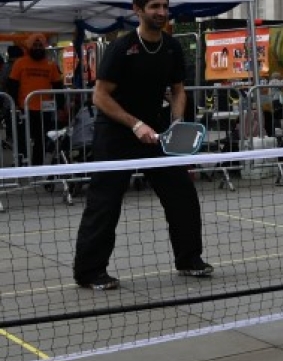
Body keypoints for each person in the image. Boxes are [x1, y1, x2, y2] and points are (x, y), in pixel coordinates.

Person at [73, 0, 213, 291]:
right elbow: (100, 97)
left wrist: (176, 122)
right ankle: (89, 272)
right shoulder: (121, 48)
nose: (161, 12)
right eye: (154, 6)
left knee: (182, 194)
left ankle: (189, 259)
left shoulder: (172, 47)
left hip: (157, 133)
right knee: (105, 202)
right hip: (116, 132)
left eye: (164, 5)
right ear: (138, 9)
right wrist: (134, 124)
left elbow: (177, 90)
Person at [6, 35, 65, 166]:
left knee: (41, 139)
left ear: (43, 47)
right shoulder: (20, 63)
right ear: (29, 46)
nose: (37, 48)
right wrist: (14, 104)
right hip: (24, 108)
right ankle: (21, 162)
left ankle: (37, 165)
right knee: (22, 138)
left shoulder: (50, 64)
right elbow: (12, 85)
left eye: (40, 46)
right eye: (35, 45)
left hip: (44, 109)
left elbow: (58, 87)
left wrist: (61, 107)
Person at [0, 46, 24, 146]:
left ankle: (11, 140)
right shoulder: (19, 66)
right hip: (16, 100)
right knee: (17, 123)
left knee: (12, 122)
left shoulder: (7, 67)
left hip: (10, 101)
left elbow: (2, 83)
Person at [267, 71, 283, 136]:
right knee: (277, 114)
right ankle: (277, 128)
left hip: (274, 99)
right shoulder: (274, 81)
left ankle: (277, 127)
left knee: (276, 114)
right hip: (276, 100)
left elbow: (279, 83)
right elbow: (280, 84)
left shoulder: (272, 81)